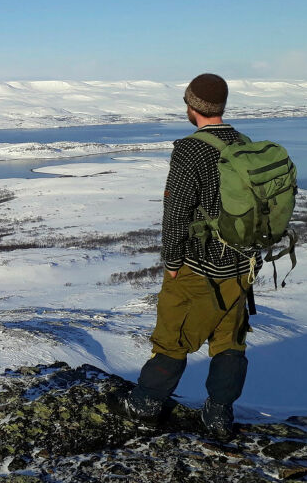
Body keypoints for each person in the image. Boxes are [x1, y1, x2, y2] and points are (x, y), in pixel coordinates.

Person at [122, 73, 259, 439]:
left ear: (191, 106)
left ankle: (146, 403)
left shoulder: (190, 148)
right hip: (239, 268)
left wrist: (171, 263)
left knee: (172, 337)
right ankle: (217, 415)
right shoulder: (244, 143)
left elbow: (176, 212)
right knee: (230, 342)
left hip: (197, 268)